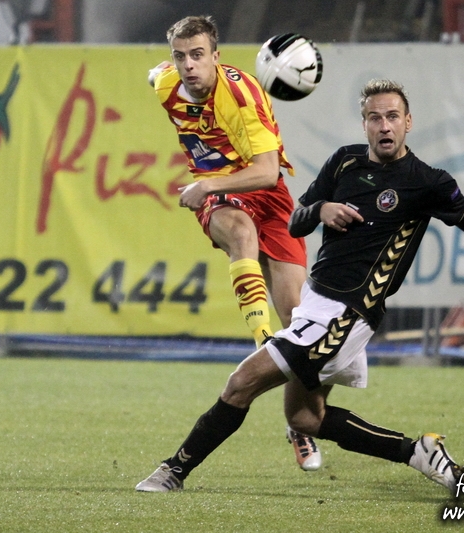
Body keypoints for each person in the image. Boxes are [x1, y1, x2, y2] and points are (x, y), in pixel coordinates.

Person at [135, 78, 464, 494]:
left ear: (408, 122)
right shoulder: (344, 162)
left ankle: (174, 470)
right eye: (375, 118)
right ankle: (420, 453)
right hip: (314, 302)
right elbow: (295, 221)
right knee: (305, 418)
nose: (385, 126)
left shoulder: (427, 181)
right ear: (364, 124)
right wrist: (322, 209)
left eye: (393, 117)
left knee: (241, 382)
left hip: (347, 313)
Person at [148, 15, 321, 471]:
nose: (189, 65)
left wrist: (204, 185)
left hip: (267, 193)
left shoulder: (242, 96)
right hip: (221, 196)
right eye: (180, 57)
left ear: (216, 57)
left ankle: (300, 425)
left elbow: (266, 171)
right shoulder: (166, 82)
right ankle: (263, 340)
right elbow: (155, 74)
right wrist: (209, 188)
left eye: (198, 55)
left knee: (301, 322)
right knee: (240, 232)